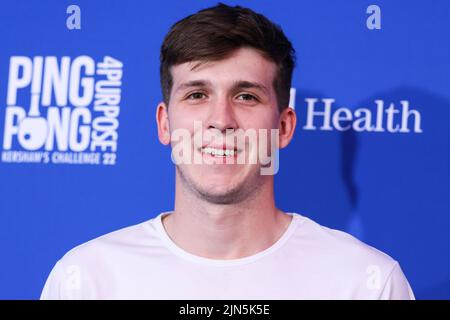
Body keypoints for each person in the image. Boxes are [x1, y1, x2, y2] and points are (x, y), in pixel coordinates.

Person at [41, 3, 415, 299]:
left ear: (283, 127)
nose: (221, 120)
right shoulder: (86, 281)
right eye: (197, 95)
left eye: (246, 96)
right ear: (165, 124)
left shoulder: (366, 285)